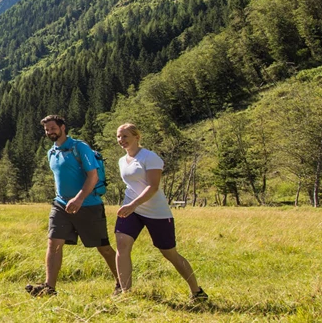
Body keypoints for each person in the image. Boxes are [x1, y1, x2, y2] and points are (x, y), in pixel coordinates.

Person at [26, 114, 119, 297]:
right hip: (61, 205)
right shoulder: (51, 152)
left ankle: (121, 283)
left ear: (62, 128)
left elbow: (93, 176)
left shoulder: (79, 147)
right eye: (46, 129)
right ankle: (49, 288)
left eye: (53, 128)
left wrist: (78, 199)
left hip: (88, 204)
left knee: (103, 247)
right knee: (54, 243)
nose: (49, 132)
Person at [114, 122, 208, 303]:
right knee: (122, 245)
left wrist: (133, 204)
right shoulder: (121, 161)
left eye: (125, 136)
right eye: (118, 136)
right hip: (131, 209)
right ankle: (126, 294)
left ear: (137, 137)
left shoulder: (150, 157)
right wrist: (131, 206)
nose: (121, 140)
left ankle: (197, 292)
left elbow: (153, 186)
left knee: (169, 253)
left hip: (156, 212)